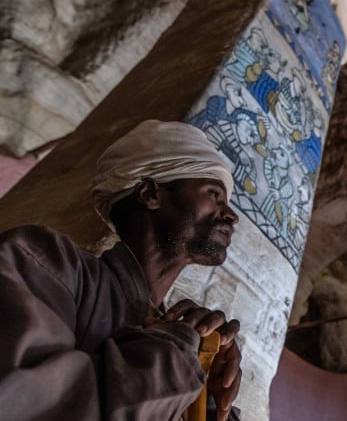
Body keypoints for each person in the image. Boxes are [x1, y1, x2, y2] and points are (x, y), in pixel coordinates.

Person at [0, 120, 244, 420]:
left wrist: (209, 397)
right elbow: (23, 401)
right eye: (213, 194)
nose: (231, 215)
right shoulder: (43, 261)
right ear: (150, 195)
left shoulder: (188, 340)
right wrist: (177, 352)